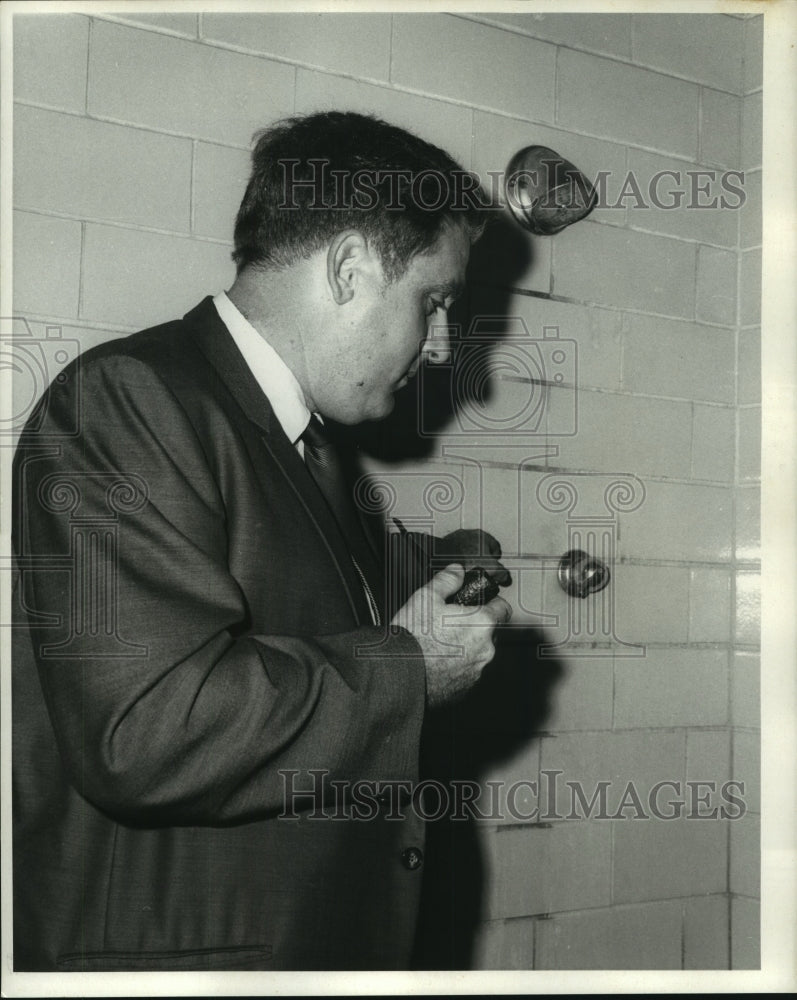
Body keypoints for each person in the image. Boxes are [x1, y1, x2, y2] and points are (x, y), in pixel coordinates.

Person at [11, 111, 512, 972]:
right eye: (433, 302)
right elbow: (149, 729)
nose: (439, 348)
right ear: (350, 269)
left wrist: (444, 562)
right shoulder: (128, 403)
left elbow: (293, 599)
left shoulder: (302, 447)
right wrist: (412, 668)